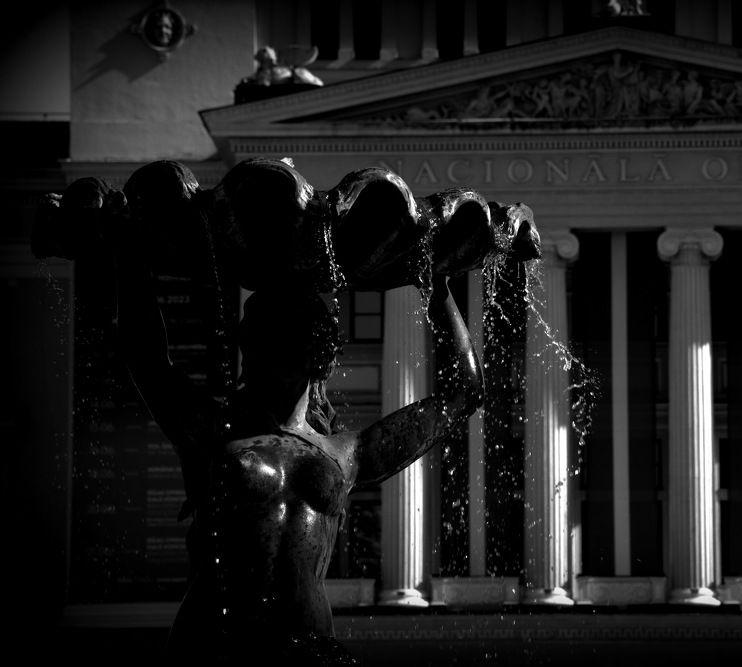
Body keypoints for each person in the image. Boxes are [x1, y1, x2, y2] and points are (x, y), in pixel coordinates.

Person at [45, 160, 529, 665]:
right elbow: (145, 356)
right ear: (251, 343)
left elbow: (463, 393)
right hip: (217, 649)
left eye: (292, 333)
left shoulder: (346, 453)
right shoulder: (213, 430)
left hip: (310, 652)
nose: (274, 346)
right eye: (267, 332)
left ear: (317, 352)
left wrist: (439, 285)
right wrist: (128, 254)